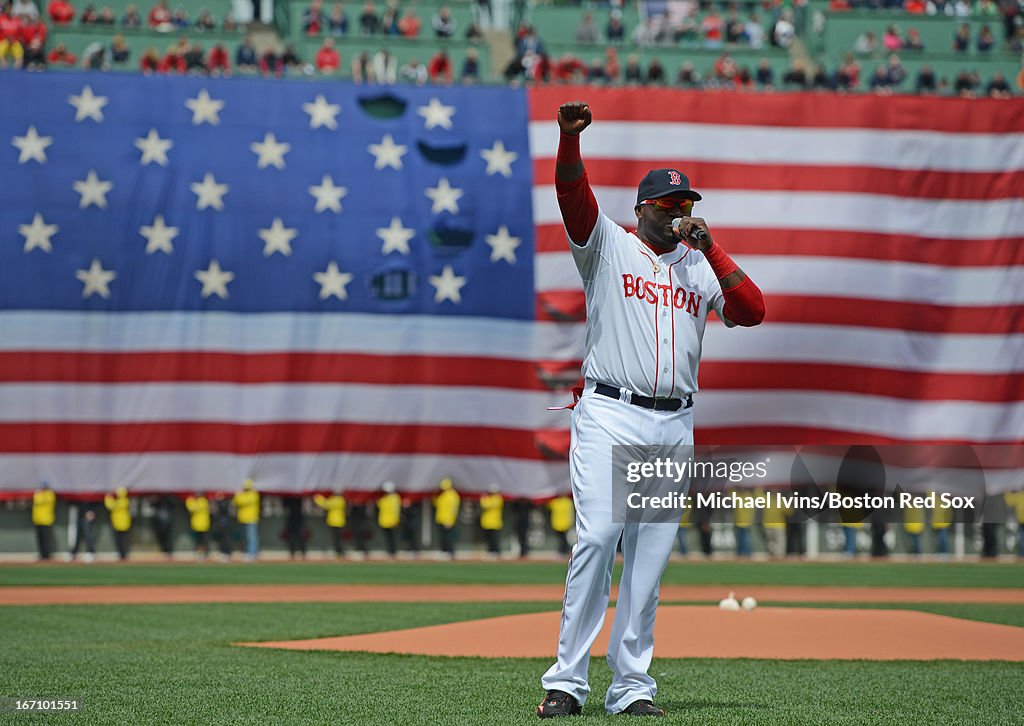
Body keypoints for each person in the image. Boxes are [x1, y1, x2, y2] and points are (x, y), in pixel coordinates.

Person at [537, 102, 765, 719]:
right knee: (599, 535)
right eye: (668, 206)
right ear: (643, 211)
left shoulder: (698, 265)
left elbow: (752, 311)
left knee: (650, 558)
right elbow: (571, 195)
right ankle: (567, 681)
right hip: (612, 412)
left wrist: (711, 249)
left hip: (673, 423)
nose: (679, 214)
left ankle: (631, 687)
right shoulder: (609, 245)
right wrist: (568, 139)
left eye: (685, 205)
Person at [314, 488, 347, 558]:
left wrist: (318, 499)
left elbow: (326, 504)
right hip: (336, 521)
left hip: (337, 521)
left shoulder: (338, 500)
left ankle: (340, 551)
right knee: (337, 538)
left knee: (338, 538)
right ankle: (339, 551)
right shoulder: (338, 499)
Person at [233, 478, 260, 561]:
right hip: (243, 519)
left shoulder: (253, 494)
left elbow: (241, 501)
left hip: (251, 519)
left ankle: (253, 553)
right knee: (246, 537)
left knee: (252, 537)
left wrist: (238, 494)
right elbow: (236, 502)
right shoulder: (244, 494)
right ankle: (248, 552)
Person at [433, 478, 460, 558]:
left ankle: (449, 552)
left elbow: (453, 510)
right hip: (441, 518)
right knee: (443, 537)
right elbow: (436, 504)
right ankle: (444, 551)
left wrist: (450, 520)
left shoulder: (452, 495)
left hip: (447, 520)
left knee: (448, 537)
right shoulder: (442, 494)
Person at [104, 487, 132, 561]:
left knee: (121, 540)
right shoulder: (125, 500)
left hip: (121, 524)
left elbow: (111, 506)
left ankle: (123, 554)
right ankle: (122, 553)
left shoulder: (123, 501)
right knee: (121, 540)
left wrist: (108, 497)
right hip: (120, 523)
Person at [32, 482, 57, 561]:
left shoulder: (49, 494)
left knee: (46, 539)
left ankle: (47, 555)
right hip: (38, 520)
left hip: (46, 520)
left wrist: (39, 493)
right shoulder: (38, 494)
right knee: (40, 538)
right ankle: (42, 554)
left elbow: (40, 500)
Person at [377, 482, 401, 558]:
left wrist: (395, 520)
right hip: (384, 521)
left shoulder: (394, 498)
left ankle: (393, 551)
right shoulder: (384, 498)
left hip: (391, 521)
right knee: (387, 537)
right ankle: (389, 551)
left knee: (392, 537)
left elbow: (396, 510)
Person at [480, 484, 504, 557]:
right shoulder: (489, 498)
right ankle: (491, 551)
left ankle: (496, 551)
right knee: (489, 538)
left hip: (494, 522)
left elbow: (486, 505)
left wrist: (483, 498)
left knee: (494, 538)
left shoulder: (498, 498)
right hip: (487, 522)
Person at [185, 491, 211, 559]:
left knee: (202, 540)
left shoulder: (203, 501)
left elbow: (192, 508)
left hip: (203, 524)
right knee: (198, 540)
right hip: (196, 524)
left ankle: (203, 554)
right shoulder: (195, 501)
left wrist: (190, 501)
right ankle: (199, 553)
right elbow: (190, 508)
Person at [282, 495, 308, 560]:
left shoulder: (299, 495)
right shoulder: (288, 496)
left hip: (299, 519)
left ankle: (303, 553)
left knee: (301, 537)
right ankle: (292, 553)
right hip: (291, 519)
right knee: (291, 537)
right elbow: (285, 506)